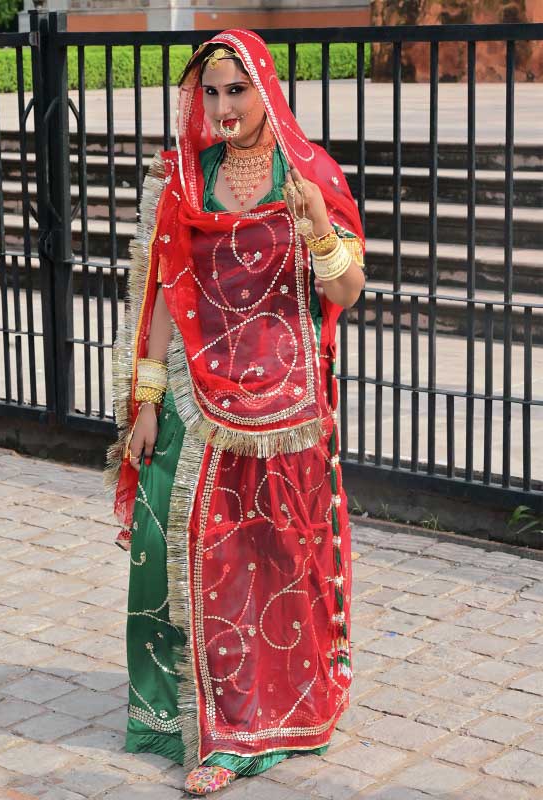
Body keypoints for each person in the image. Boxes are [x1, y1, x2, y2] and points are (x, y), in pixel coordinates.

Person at [106, 29, 365, 796]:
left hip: (283, 407)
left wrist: (319, 228)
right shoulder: (189, 177)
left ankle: (258, 724)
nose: (223, 107)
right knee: (172, 543)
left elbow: (346, 291)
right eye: (211, 93)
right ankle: (178, 713)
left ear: (266, 90)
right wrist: (147, 399)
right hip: (195, 395)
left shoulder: (309, 174)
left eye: (237, 91)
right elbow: (166, 289)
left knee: (270, 562)